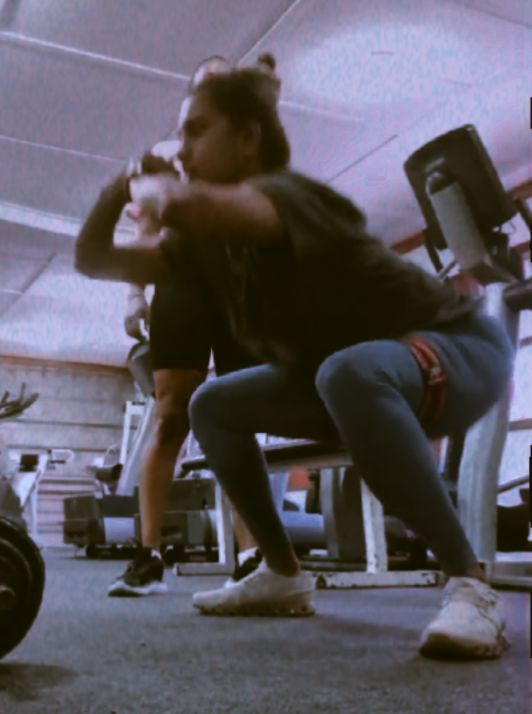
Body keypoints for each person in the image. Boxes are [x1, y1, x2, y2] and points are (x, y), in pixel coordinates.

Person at [109, 58, 515, 660]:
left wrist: (150, 187)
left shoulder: (284, 198)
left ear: (246, 139)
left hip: (461, 344)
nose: (184, 151)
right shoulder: (228, 260)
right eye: (181, 137)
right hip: (356, 372)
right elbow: (154, 251)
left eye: (197, 131)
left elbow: (200, 208)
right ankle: (281, 571)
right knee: (214, 403)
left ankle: (471, 585)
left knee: (345, 371)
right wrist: (135, 290)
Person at [75, 55, 280, 597]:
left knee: (237, 421)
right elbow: (146, 228)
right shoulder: (171, 155)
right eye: (206, 82)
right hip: (183, 283)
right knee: (170, 418)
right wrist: (133, 295)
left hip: (238, 286)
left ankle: (252, 556)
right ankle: (148, 557)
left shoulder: (246, 147)